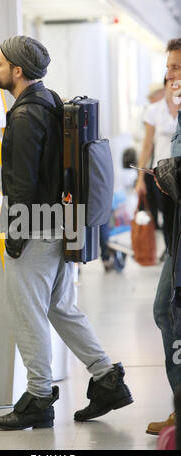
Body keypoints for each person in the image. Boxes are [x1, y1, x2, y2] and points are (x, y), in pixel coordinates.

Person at [0, 35, 133, 430]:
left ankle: (37, 397)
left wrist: (15, 237)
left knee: (26, 311)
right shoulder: (52, 101)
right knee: (59, 306)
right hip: (63, 224)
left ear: (17, 71)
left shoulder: (21, 117)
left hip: (35, 228)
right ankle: (106, 378)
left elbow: (22, 183)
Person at [146, 38, 181, 435]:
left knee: (167, 310)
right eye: (168, 67)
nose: (169, 74)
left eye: (176, 67)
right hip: (176, 228)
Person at [135, 77, 179, 252]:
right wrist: (140, 180)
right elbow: (147, 146)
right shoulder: (154, 111)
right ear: (165, 86)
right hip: (161, 175)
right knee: (168, 222)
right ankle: (171, 257)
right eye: (172, 82)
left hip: (180, 172)